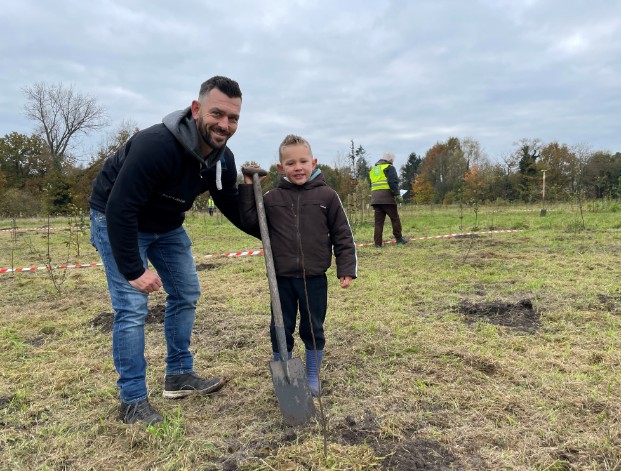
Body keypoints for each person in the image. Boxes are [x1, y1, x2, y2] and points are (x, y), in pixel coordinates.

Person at [88, 76, 259, 425]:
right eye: (217, 114)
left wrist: (271, 233)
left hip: (165, 225)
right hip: (117, 218)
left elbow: (232, 209)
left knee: (185, 292)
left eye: (233, 118)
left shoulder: (222, 161)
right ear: (196, 109)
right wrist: (135, 269)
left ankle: (179, 374)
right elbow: (121, 207)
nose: (224, 125)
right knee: (133, 308)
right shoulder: (157, 145)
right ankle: (132, 401)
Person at [239, 134, 357, 396]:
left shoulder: (328, 196)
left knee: (313, 327)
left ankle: (312, 374)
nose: (298, 167)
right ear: (281, 168)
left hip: (314, 278)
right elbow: (250, 221)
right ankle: (285, 375)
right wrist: (249, 186)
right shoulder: (271, 198)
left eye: (303, 161)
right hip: (281, 279)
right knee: (280, 327)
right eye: (291, 163)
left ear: (313, 162)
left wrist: (346, 267)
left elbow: (342, 234)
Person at [369, 152, 409, 247]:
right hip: (387, 198)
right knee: (394, 218)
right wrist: (397, 194)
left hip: (375, 199)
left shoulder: (373, 169)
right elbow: (392, 182)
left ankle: (378, 244)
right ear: (391, 160)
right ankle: (399, 239)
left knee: (378, 222)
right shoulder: (389, 167)